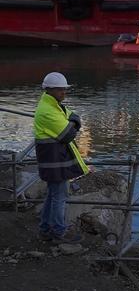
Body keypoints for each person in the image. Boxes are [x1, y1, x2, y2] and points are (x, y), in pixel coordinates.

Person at [33, 72, 88, 244]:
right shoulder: (48, 110)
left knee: (52, 195)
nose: (64, 93)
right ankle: (59, 231)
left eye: (65, 89)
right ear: (49, 90)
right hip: (54, 162)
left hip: (54, 161)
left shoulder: (54, 105)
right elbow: (68, 134)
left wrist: (72, 121)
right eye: (60, 90)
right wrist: (73, 123)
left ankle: (45, 229)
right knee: (59, 197)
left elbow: (73, 116)